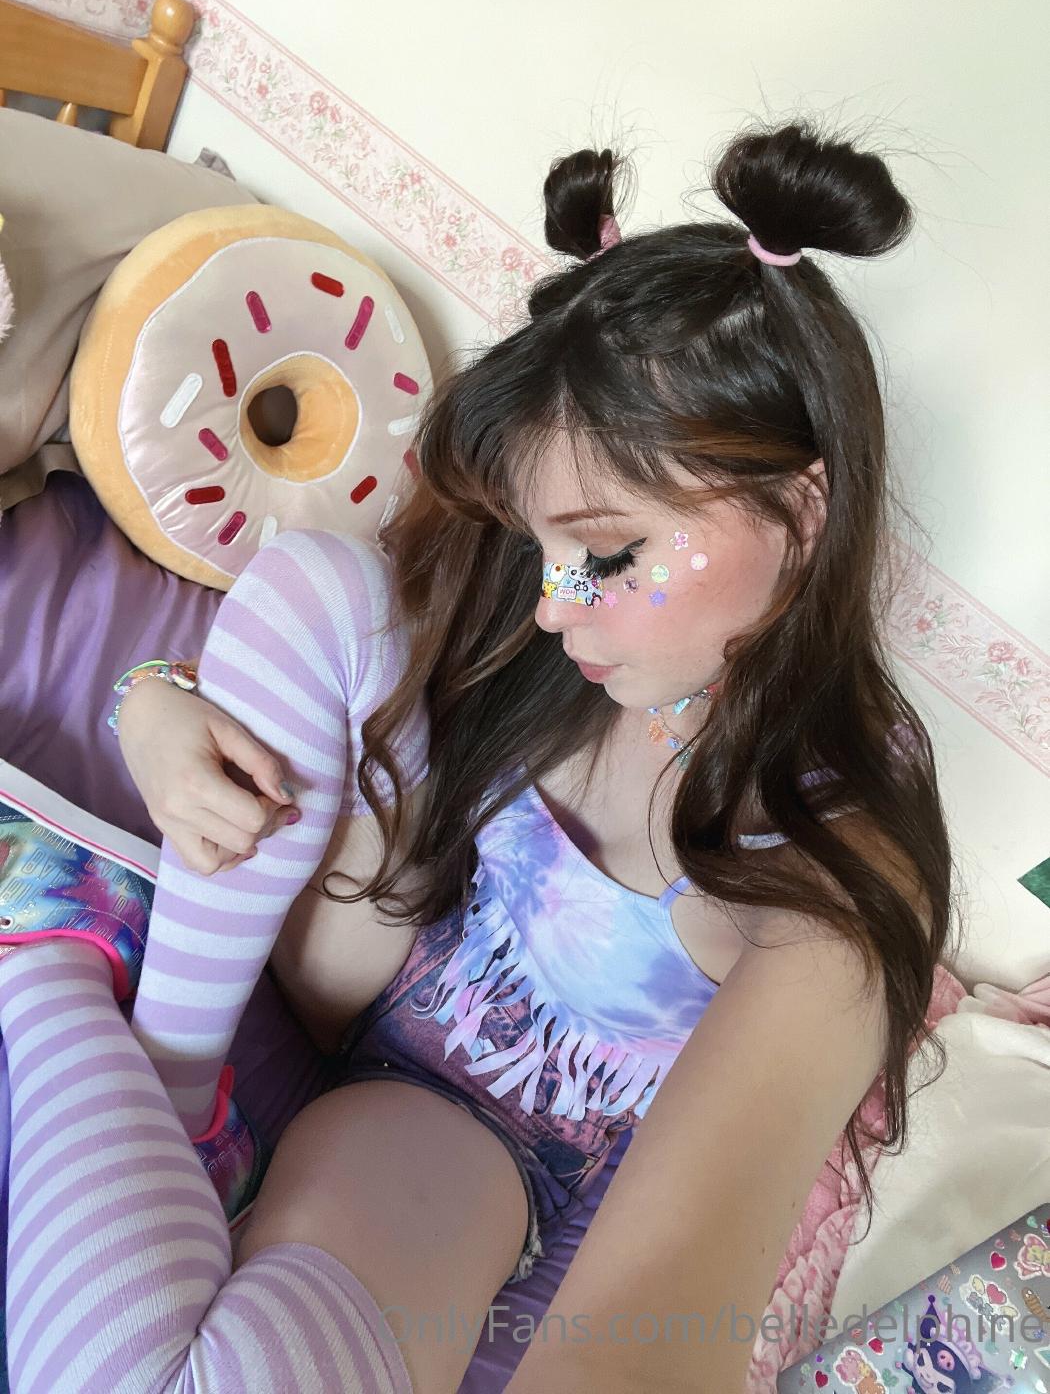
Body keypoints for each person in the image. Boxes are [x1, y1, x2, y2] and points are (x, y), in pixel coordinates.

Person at [0, 116, 955, 1393]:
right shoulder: (537, 625)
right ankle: (128, 1033)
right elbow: (315, 642)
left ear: (800, 510)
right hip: (338, 965)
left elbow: (660, 1313)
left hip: (463, 1151)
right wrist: (149, 701)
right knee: (317, 578)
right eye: (544, 548)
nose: (556, 606)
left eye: (604, 552)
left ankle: (44, 956)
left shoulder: (840, 862)